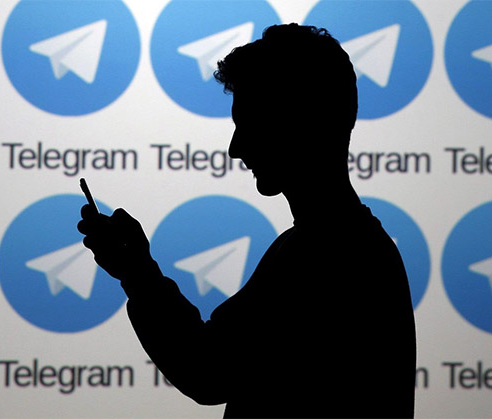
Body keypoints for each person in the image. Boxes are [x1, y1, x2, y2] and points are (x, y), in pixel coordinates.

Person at [78, 23, 416, 418]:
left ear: (300, 124)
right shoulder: (350, 246)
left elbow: (207, 369)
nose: (235, 149)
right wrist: (138, 273)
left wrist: (138, 275)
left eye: (250, 125)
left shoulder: (324, 255)